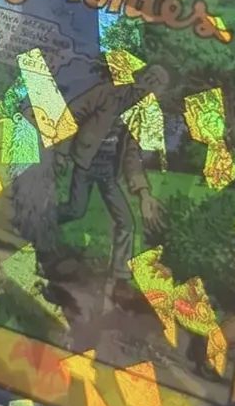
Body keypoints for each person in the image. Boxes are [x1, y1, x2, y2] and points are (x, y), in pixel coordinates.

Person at [57, 65, 168, 308]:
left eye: (153, 92)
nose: (146, 95)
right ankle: (41, 223)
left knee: (126, 222)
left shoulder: (140, 116)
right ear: (140, 80)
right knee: (76, 210)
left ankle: (120, 279)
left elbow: (132, 155)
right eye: (147, 85)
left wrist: (144, 194)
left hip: (109, 173)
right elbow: (72, 114)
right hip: (85, 162)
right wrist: (62, 152)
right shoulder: (107, 93)